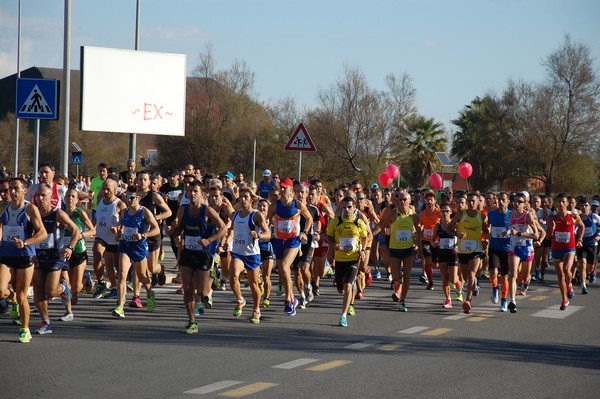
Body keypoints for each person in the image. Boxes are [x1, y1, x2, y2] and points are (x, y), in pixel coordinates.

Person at [166, 180, 226, 333]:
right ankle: (192, 321)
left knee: (201, 292)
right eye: (190, 191)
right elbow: (179, 230)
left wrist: (209, 240)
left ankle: (213, 276)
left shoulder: (207, 211)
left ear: (202, 195)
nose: (192, 194)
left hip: (203, 254)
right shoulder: (182, 210)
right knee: (187, 288)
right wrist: (172, 231)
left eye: (195, 192)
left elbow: (223, 228)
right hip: (188, 252)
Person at [0, 178, 48, 343]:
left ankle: (24, 329)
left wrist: (25, 242)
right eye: (9, 189)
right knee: (1, 290)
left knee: (22, 296)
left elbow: (43, 233)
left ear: (24, 191)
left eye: (15, 189)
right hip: (6, 254)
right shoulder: (3, 207)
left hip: (24, 256)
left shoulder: (29, 209)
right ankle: (11, 298)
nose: (11, 192)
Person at [32, 184, 81, 335]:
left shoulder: (58, 213)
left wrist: (70, 247)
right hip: (39, 257)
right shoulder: (33, 213)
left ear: (50, 197)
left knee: (51, 292)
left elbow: (76, 231)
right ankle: (45, 322)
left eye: (44, 196)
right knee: (38, 291)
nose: (40, 199)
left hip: (55, 257)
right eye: (38, 196)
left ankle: (63, 288)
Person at [111, 186, 161, 318]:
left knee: (142, 276)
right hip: (125, 246)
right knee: (122, 275)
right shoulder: (124, 212)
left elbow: (156, 230)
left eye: (131, 197)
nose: (128, 199)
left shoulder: (144, 212)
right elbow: (122, 229)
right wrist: (118, 234)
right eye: (126, 197)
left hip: (139, 247)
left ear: (138, 198)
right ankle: (120, 306)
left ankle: (150, 294)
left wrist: (143, 235)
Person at [266, 177, 313, 316]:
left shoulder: (298, 205)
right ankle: (293, 298)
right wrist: (268, 230)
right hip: (278, 241)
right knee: (282, 270)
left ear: (291, 190)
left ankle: (288, 299)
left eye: (285, 187)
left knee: (286, 266)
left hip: (293, 240)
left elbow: (309, 218)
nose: (282, 189)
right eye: (281, 187)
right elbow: (267, 219)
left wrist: (304, 232)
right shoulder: (274, 206)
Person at [226, 188, 271, 323]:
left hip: (252, 253)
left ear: (252, 199)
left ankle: (256, 309)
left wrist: (258, 235)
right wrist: (226, 242)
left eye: (246, 197)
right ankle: (240, 300)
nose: (243, 199)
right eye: (241, 197)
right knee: (232, 276)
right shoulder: (236, 214)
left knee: (253, 283)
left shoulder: (256, 215)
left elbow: (268, 233)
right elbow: (232, 231)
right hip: (238, 252)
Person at [326, 196, 369, 327]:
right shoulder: (337, 221)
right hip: (339, 259)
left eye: (349, 207)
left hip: (353, 259)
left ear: (354, 207)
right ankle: (350, 288)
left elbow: (365, 236)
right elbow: (328, 236)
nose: (347, 210)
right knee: (341, 289)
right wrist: (334, 245)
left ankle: (343, 316)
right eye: (344, 207)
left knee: (348, 286)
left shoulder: (358, 222)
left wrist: (362, 250)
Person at [378, 189, 422, 312]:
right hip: (395, 249)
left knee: (407, 276)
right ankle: (398, 287)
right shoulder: (392, 213)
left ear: (409, 201)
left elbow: (419, 231)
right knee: (396, 277)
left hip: (408, 249)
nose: (402, 201)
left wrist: (417, 243)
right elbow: (383, 226)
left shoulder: (413, 216)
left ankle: (402, 300)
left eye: (404, 199)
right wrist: (384, 242)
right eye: (400, 199)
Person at [448, 192, 489, 314]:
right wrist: (457, 234)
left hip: (476, 249)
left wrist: (486, 240)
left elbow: (486, 231)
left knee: (471, 275)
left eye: (473, 201)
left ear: (478, 203)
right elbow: (448, 228)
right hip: (462, 250)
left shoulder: (481, 216)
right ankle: (474, 283)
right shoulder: (461, 214)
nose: (471, 203)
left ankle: (468, 301)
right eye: (469, 201)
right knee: (465, 277)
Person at [60, 187, 96, 321]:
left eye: (73, 196)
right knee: (65, 283)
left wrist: (81, 235)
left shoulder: (80, 213)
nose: (70, 199)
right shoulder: (60, 213)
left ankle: (85, 279)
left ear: (77, 200)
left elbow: (93, 231)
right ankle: (68, 312)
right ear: (64, 199)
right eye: (68, 196)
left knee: (75, 288)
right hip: (64, 251)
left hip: (78, 251)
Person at [546, 193, 585, 310]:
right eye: (559, 201)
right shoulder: (552, 218)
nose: (561, 204)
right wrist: (552, 229)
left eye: (563, 202)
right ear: (556, 203)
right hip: (557, 248)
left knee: (567, 269)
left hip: (570, 247)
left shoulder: (573, 216)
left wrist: (579, 239)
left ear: (567, 204)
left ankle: (569, 284)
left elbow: (582, 226)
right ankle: (564, 299)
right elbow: (548, 236)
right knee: (560, 276)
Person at [91, 178, 127, 299]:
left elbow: (126, 221)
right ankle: (101, 282)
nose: (105, 191)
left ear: (115, 190)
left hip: (115, 240)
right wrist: (93, 226)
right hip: (101, 237)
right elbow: (98, 217)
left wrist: (119, 229)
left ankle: (115, 287)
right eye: (104, 189)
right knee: (96, 252)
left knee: (114, 265)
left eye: (108, 189)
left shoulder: (120, 204)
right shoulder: (100, 201)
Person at [505, 193, 539, 313]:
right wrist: (508, 232)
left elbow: (536, 235)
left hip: (527, 248)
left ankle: (526, 282)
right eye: (515, 201)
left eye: (520, 201)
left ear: (524, 204)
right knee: (513, 274)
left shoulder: (527, 216)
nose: (517, 203)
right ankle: (513, 300)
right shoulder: (510, 214)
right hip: (514, 248)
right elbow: (512, 228)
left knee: (524, 276)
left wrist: (519, 234)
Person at [486, 192, 511, 311]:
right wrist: (487, 233)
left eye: (503, 200)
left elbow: (517, 228)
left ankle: (504, 300)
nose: (501, 202)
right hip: (494, 248)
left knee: (504, 277)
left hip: (506, 249)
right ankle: (495, 288)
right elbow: (486, 226)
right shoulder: (491, 214)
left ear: (508, 201)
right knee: (493, 273)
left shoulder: (511, 215)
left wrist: (510, 232)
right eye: (499, 200)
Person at [430, 202, 458, 308]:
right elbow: (432, 240)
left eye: (447, 211)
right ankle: (448, 300)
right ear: (440, 213)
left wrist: (458, 246)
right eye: (443, 211)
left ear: (451, 213)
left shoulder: (454, 224)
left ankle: (457, 282)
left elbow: (461, 237)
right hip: (442, 252)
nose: (445, 213)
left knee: (453, 279)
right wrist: (434, 243)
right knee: (444, 278)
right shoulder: (438, 226)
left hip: (453, 253)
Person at [575, 197, 600, 295]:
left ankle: (592, 272)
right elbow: (574, 229)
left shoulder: (593, 216)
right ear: (579, 207)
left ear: (589, 207)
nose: (584, 207)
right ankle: (583, 285)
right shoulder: (578, 218)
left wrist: (598, 235)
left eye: (586, 205)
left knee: (589, 267)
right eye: (582, 206)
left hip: (592, 244)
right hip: (581, 244)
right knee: (582, 264)